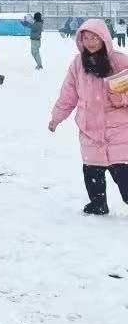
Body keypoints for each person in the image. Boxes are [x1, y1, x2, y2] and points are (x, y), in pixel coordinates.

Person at [49, 19, 128, 215]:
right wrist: (56, 118)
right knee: (92, 169)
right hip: (89, 127)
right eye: (86, 38)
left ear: (104, 38)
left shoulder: (119, 61)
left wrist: (121, 97)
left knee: (122, 170)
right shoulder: (77, 64)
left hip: (117, 128)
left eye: (94, 37)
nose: (90, 42)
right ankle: (98, 204)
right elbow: (68, 94)